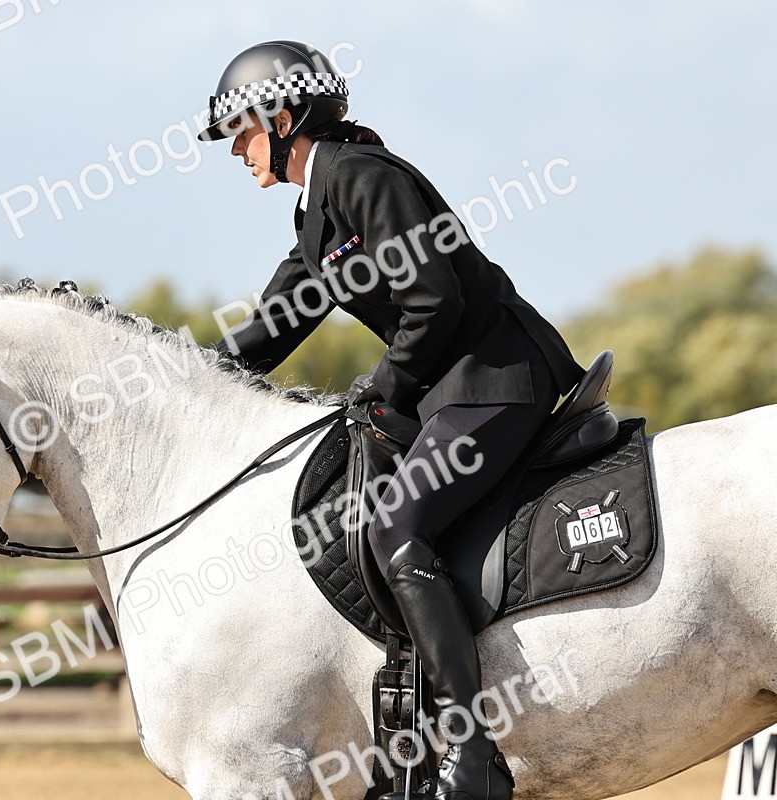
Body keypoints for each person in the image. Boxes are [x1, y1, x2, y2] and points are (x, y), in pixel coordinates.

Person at [198, 41, 585, 800]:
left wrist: (384, 387)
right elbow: (276, 323)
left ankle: (473, 758)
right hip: (453, 390)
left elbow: (434, 298)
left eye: (241, 131)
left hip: (497, 379)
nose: (237, 150)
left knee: (396, 526)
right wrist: (188, 375)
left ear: (282, 118)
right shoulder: (316, 209)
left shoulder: (364, 178)